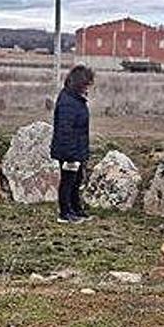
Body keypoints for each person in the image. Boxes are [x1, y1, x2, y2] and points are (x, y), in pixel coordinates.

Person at [50, 65, 95, 224]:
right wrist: (70, 156)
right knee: (68, 181)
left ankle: (76, 209)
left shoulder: (76, 99)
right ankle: (65, 212)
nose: (88, 87)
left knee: (76, 180)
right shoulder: (68, 102)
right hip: (69, 151)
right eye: (86, 84)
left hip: (77, 148)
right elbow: (65, 130)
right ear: (78, 83)